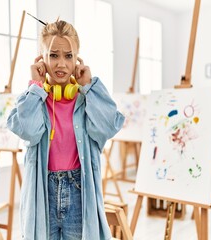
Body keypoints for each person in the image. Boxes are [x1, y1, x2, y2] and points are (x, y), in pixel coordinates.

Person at [7, 18, 124, 240]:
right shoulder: (34, 99)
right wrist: (36, 87)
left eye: (68, 56)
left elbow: (108, 125)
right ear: (41, 59)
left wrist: (89, 87)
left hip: (79, 191)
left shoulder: (86, 99)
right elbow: (29, 131)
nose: (61, 64)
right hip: (44, 192)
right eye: (53, 55)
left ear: (77, 59)